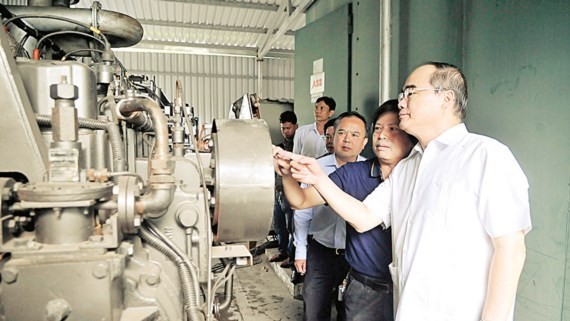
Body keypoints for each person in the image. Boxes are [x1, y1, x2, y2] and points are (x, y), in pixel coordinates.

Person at [276, 62, 531, 321]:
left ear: (446, 98)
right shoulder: (409, 167)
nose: (401, 102)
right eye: (401, 95)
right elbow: (364, 218)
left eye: (410, 93)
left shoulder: (485, 156)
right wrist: (318, 178)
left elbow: (510, 250)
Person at [276, 100, 416, 321]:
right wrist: (286, 175)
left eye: (392, 129)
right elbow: (301, 201)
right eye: (378, 128)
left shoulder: (420, 176)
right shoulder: (352, 173)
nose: (382, 135)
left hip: (410, 288)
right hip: (365, 286)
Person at [294, 111, 368, 321]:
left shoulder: (369, 170)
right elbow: (302, 211)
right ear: (333, 137)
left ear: (363, 143)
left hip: (355, 254)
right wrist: (300, 250)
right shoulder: (315, 168)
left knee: (350, 311)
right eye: (342, 133)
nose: (347, 139)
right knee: (314, 309)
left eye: (355, 135)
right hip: (321, 251)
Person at [269, 111, 298, 264]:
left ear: (296, 127)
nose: (286, 131)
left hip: (291, 193)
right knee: (279, 225)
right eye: (283, 128)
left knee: (292, 226)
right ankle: (282, 252)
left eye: (288, 128)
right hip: (278, 192)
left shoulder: (299, 148)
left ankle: (292, 257)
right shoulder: (279, 148)